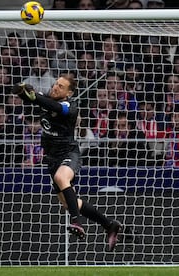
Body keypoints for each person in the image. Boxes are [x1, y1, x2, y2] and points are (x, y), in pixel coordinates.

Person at [12, 75, 122, 251]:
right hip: (52, 158)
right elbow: (26, 95)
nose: (55, 87)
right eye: (56, 84)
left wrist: (34, 96)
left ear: (69, 93)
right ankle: (109, 224)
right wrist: (21, 88)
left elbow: (54, 106)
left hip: (69, 153)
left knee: (62, 177)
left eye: (61, 87)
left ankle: (76, 222)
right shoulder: (46, 100)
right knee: (67, 202)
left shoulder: (69, 107)